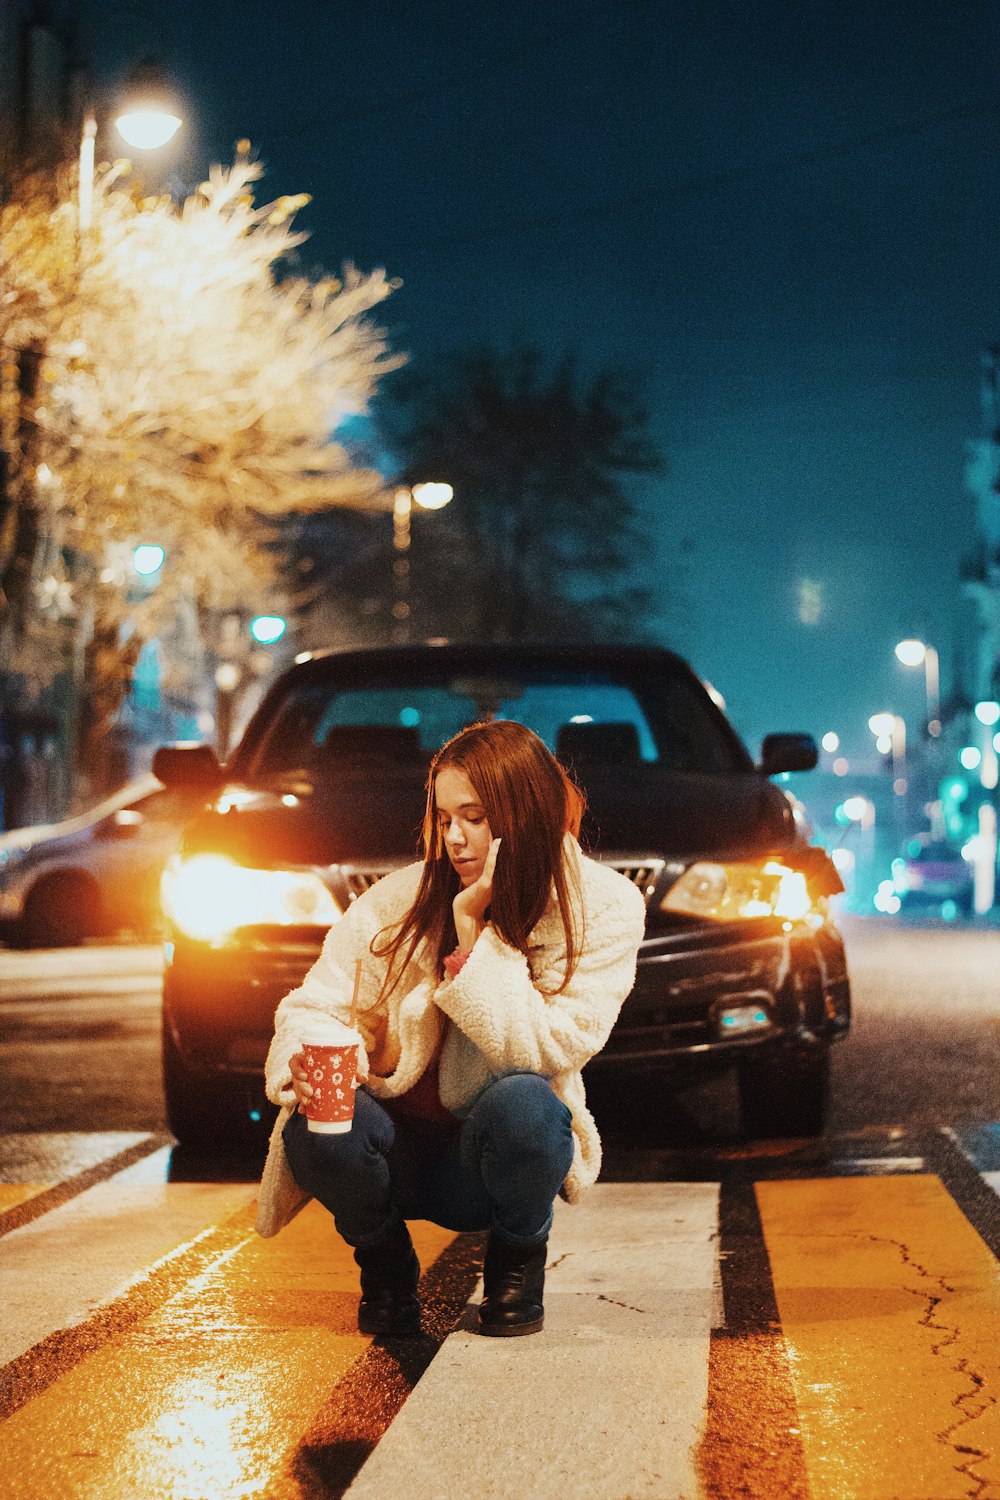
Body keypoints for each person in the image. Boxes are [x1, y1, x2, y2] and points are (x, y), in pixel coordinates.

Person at [255, 719, 646, 1338]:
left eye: (476, 816)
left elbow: (544, 1047)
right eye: (444, 819)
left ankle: (518, 1261)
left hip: (489, 1160)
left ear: (527, 814)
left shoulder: (603, 907)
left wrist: (474, 938)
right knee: (315, 1127)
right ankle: (385, 1265)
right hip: (395, 1149)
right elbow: (314, 1005)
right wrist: (309, 1060)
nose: (456, 839)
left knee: (529, 1106)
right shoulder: (397, 900)